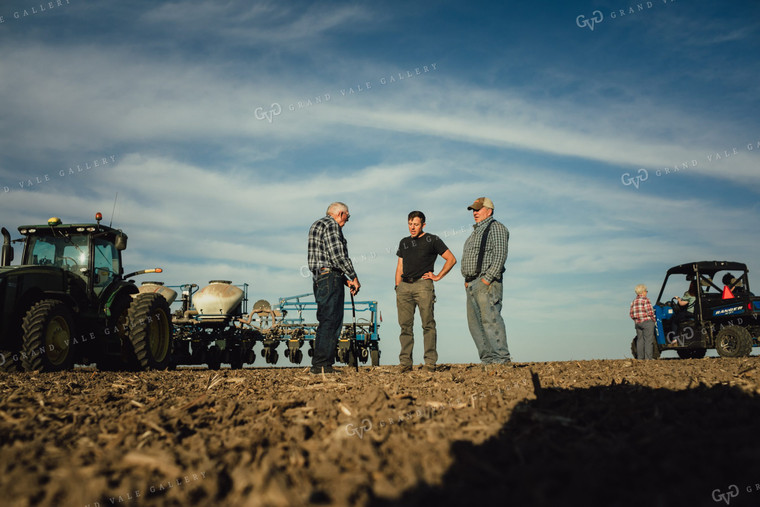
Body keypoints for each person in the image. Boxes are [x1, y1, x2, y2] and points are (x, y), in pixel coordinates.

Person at [395, 211, 457, 373]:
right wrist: (397, 287)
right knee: (405, 326)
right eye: (410, 224)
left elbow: (451, 259)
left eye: (416, 224)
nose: (412, 227)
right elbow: (400, 265)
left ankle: (430, 363)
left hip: (423, 286)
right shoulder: (404, 242)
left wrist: (437, 276)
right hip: (404, 287)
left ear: (423, 225)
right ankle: (405, 363)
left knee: (428, 324)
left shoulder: (432, 240)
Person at [307, 202, 360, 374]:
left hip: (321, 278)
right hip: (330, 279)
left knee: (326, 319)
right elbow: (337, 256)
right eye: (348, 216)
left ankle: (321, 364)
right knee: (332, 320)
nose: (347, 220)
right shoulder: (332, 225)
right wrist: (353, 276)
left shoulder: (317, 224)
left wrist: (345, 280)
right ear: (341, 213)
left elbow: (326, 260)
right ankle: (322, 365)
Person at [461, 197, 511, 366]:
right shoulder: (476, 232)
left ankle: (502, 360)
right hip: (472, 284)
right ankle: (488, 361)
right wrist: (468, 281)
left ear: (489, 211)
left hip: (485, 284)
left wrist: (486, 280)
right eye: (473, 210)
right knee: (475, 325)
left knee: (491, 320)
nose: (474, 213)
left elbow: (500, 255)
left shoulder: (496, 228)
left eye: (478, 209)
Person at [630, 284, 656, 359]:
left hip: (638, 323)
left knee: (640, 340)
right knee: (648, 341)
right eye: (646, 291)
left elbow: (631, 314)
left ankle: (640, 359)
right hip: (647, 322)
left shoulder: (633, 302)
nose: (647, 292)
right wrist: (653, 319)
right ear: (643, 292)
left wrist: (636, 320)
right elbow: (650, 312)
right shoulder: (646, 300)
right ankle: (648, 359)